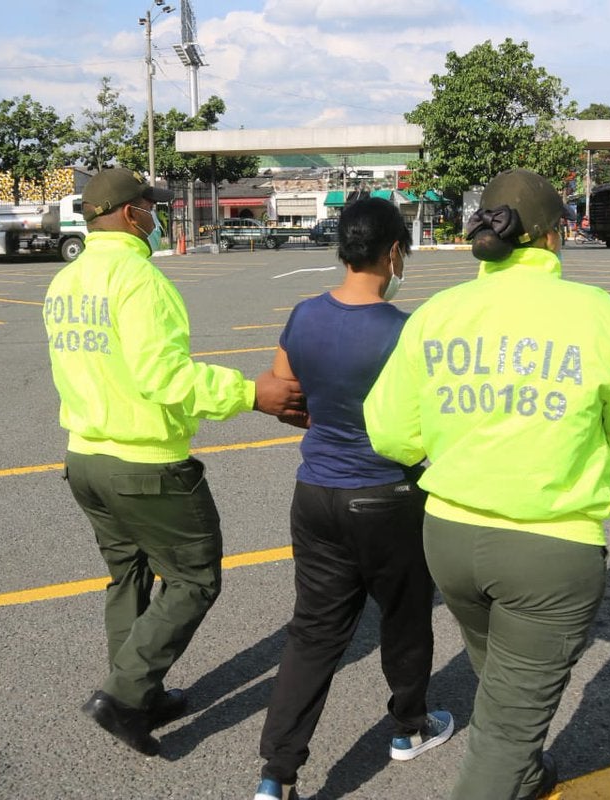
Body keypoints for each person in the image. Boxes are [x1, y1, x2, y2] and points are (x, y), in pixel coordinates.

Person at [364, 169, 610, 800]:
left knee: (501, 684)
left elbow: (392, 434)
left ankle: (525, 777)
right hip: (547, 548)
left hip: (449, 537)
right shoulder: (597, 315)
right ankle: (510, 772)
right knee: (504, 729)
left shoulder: (438, 312)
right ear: (553, 237)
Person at [43, 167, 304, 757]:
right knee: (193, 577)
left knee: (128, 575)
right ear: (132, 214)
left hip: (86, 456)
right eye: (150, 207)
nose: (157, 217)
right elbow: (165, 378)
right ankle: (125, 697)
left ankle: (138, 687)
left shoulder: (67, 280)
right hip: (144, 462)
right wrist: (250, 394)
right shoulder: (138, 278)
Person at [253, 198, 453, 800]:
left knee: (313, 633)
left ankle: (275, 775)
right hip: (387, 495)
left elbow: (283, 392)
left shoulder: (304, 315)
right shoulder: (405, 330)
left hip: (315, 492)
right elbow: (430, 423)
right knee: (405, 617)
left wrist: (325, 427)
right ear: (394, 252)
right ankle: (409, 727)